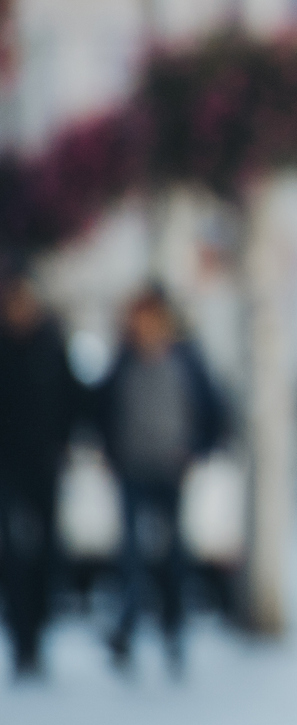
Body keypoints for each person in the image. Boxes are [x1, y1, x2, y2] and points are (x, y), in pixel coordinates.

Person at [94, 285, 225, 675]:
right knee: (130, 558)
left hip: (170, 470)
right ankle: (127, 630)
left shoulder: (185, 359)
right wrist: (110, 453)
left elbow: (214, 409)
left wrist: (196, 451)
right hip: (132, 469)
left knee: (172, 558)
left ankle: (173, 634)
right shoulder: (124, 359)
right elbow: (103, 408)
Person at [0, 261, 85, 680]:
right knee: (12, 553)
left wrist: (70, 441)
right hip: (8, 465)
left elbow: (72, 397)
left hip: (46, 461)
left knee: (46, 552)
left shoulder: (51, 342)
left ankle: (39, 633)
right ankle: (21, 638)